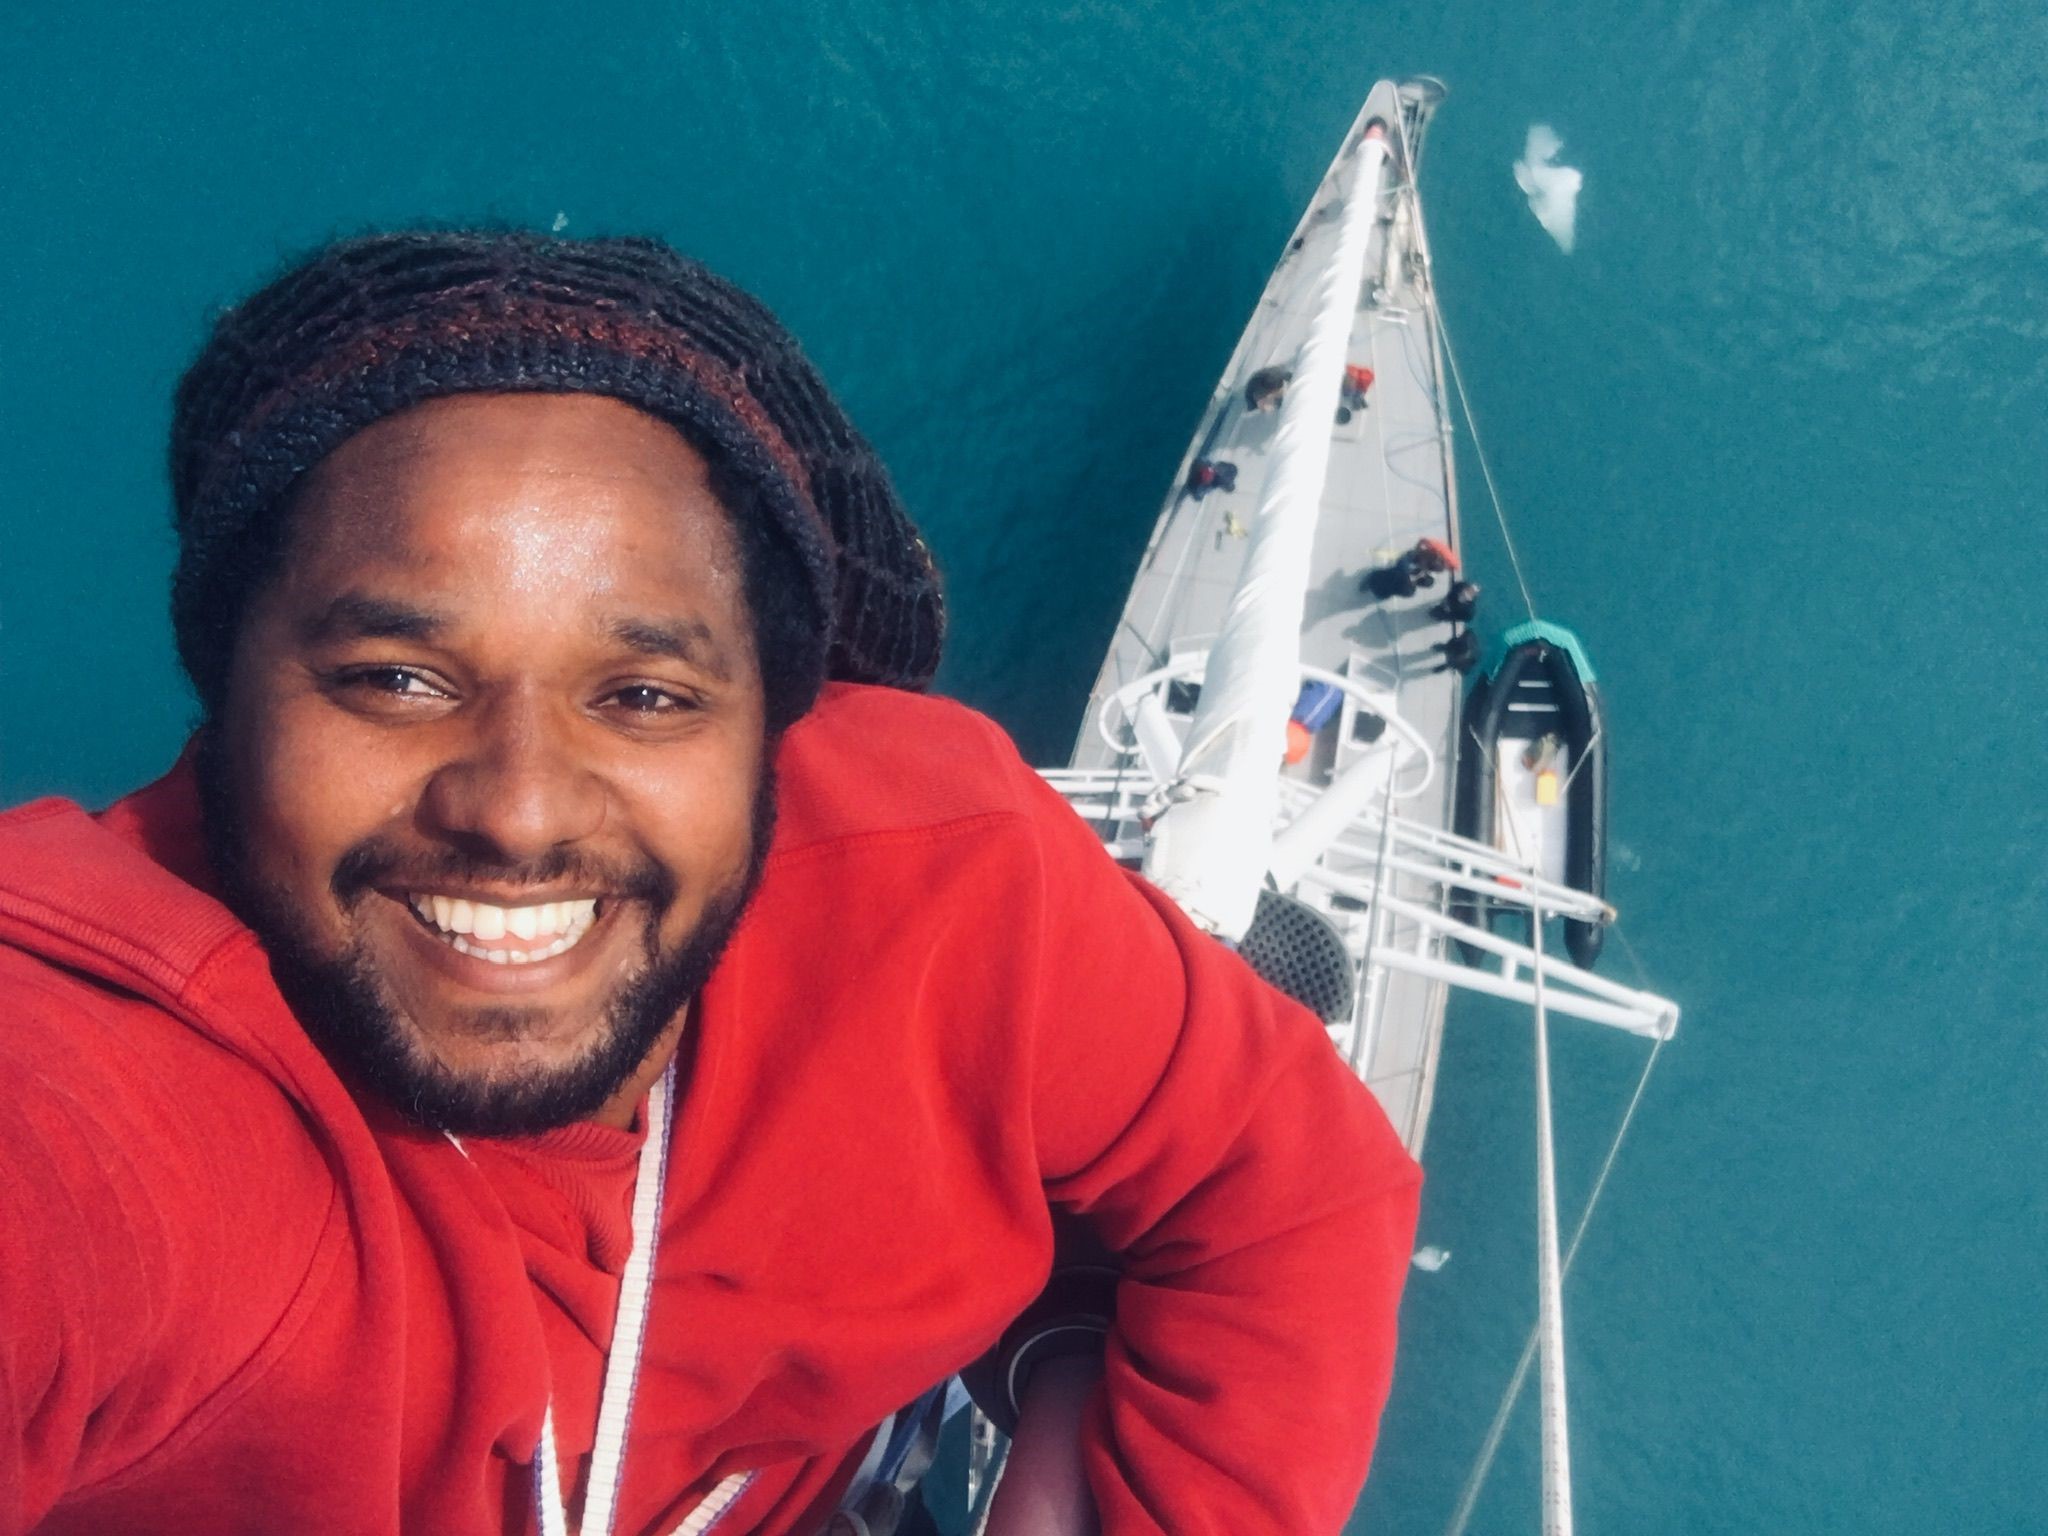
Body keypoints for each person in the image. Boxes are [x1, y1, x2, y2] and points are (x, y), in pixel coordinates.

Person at [0, 231, 1420, 1536]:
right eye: (395, 679)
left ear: (779, 730)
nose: (519, 809)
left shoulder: (946, 883)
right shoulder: (116, 1077)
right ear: (227, 698)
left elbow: (1290, 1179)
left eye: (644, 694)